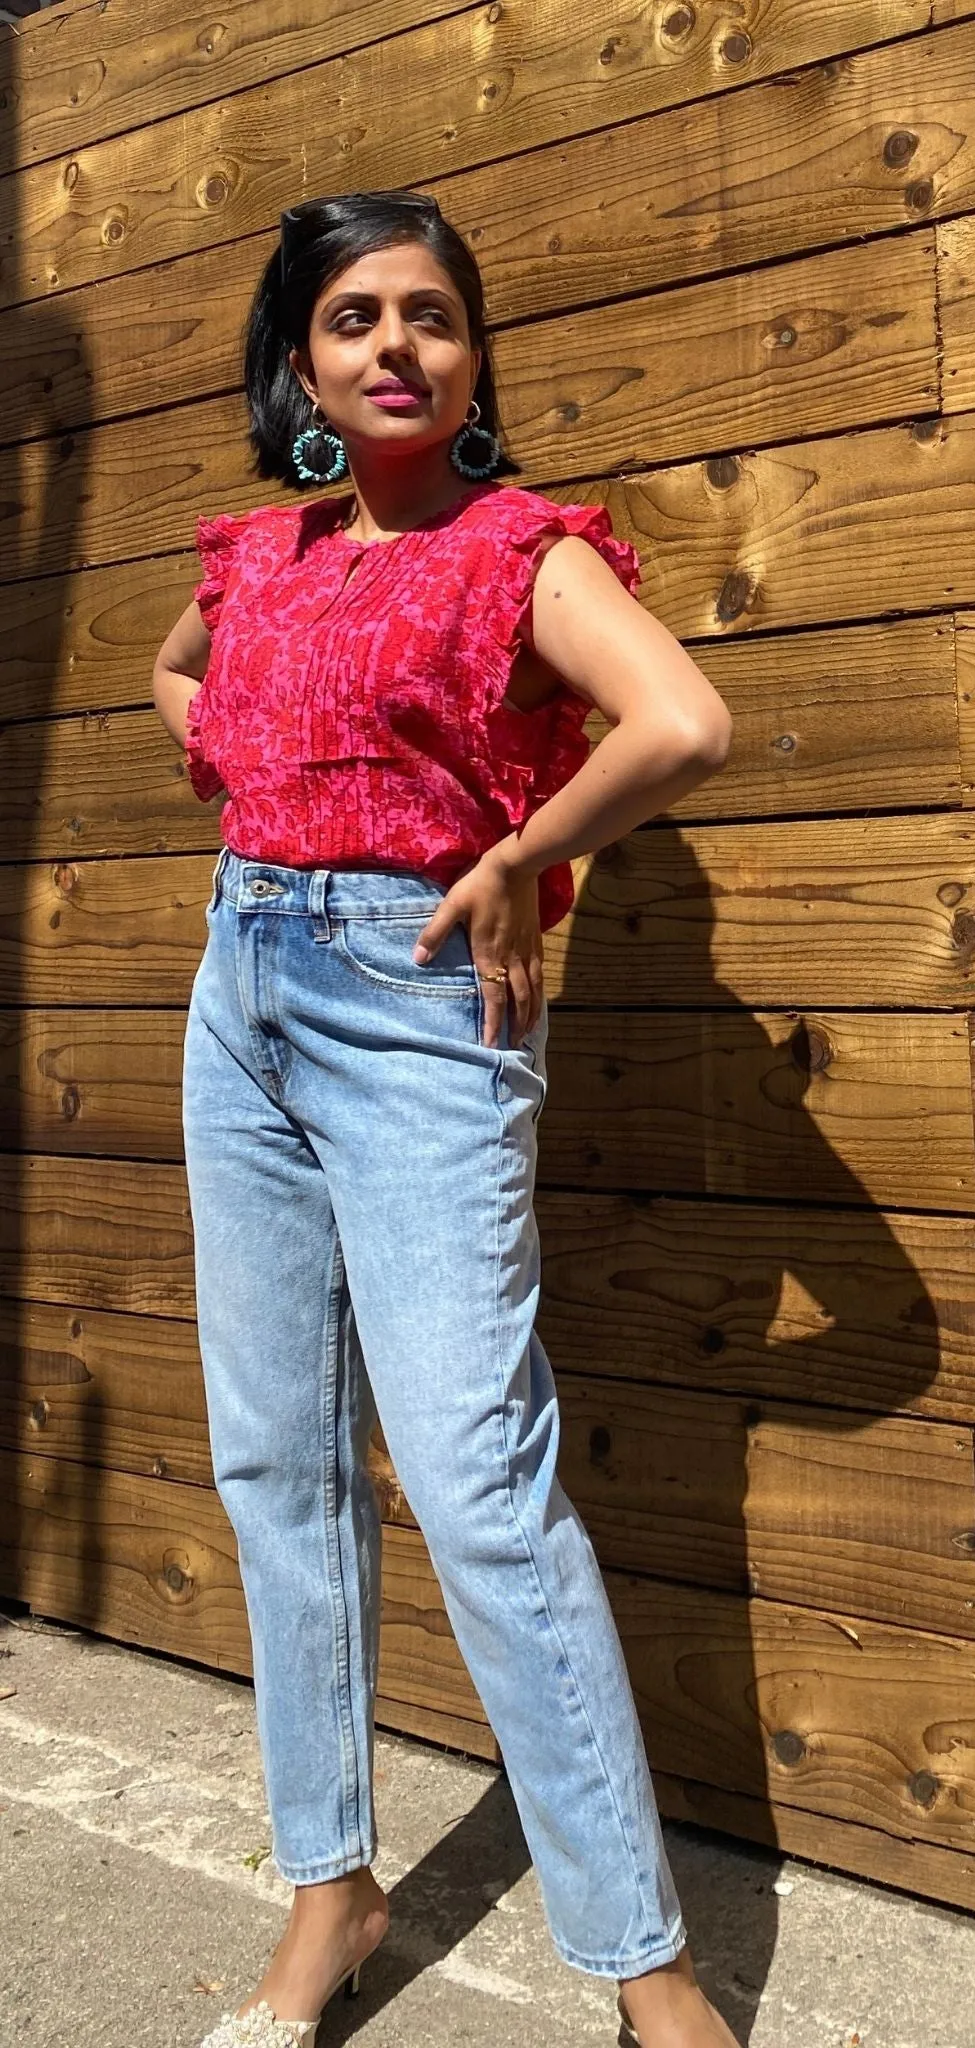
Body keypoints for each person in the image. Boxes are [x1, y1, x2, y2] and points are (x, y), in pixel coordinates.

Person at [150, 188, 737, 2048]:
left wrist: (522, 856)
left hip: (413, 1015)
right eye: (351, 319)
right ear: (302, 365)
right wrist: (240, 777)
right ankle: (332, 1889)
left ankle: (649, 1975)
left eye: (430, 316)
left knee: (480, 1495)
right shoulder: (255, 557)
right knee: (276, 1465)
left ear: (471, 360)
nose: (394, 343)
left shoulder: (516, 549)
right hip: (238, 995)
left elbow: (681, 724)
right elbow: (175, 677)